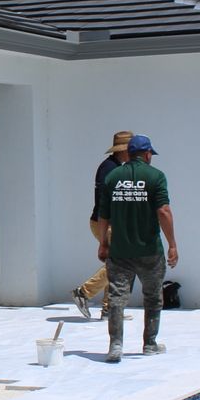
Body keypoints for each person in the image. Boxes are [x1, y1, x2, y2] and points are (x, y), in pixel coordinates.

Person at [95, 134, 179, 364]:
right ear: (148, 154)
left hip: (120, 251)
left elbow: (103, 214)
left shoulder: (113, 176)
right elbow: (163, 211)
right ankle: (150, 344)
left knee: (117, 298)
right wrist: (172, 244)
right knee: (152, 297)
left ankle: (115, 345)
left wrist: (103, 243)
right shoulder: (155, 176)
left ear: (129, 153)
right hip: (150, 251)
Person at [72, 130, 132, 318]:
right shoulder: (111, 168)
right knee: (120, 263)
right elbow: (106, 200)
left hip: (103, 222)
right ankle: (84, 292)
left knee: (114, 264)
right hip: (106, 223)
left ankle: (110, 309)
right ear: (123, 150)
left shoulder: (111, 166)